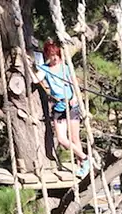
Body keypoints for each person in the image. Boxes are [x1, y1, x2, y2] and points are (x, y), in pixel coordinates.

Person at [34, 40, 89, 176]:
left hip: (71, 105)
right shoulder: (45, 69)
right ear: (47, 55)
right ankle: (85, 158)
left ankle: (82, 166)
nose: (54, 58)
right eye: (51, 55)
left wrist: (75, 97)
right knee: (62, 140)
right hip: (59, 107)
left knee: (75, 138)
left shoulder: (65, 68)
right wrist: (33, 67)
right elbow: (36, 80)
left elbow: (74, 83)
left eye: (56, 54)